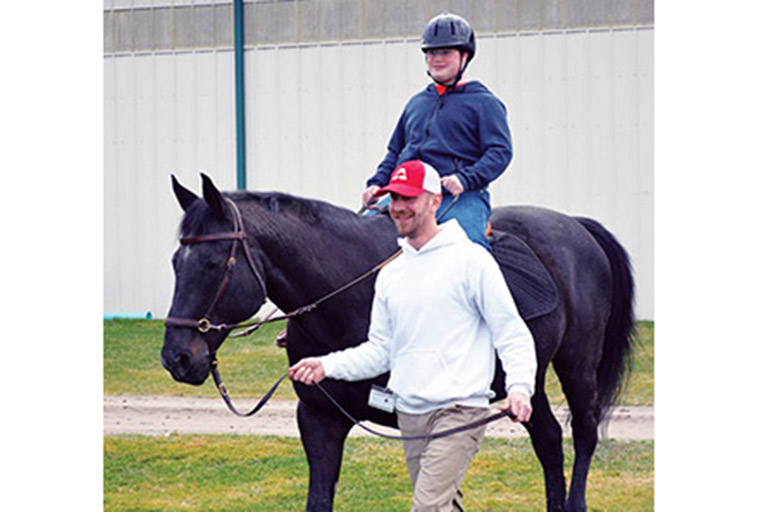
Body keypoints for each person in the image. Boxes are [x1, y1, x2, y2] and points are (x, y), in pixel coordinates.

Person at [291, 160, 537, 512]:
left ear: (435, 201)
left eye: (409, 198)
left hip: (459, 411)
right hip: (411, 415)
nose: (399, 207)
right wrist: (325, 366)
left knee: (426, 508)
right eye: (394, 198)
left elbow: (511, 333)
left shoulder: (471, 262)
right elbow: (380, 352)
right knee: (442, 506)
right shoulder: (392, 274)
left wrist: (520, 388)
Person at [361, 12, 513, 252]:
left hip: (459, 197)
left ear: (464, 56)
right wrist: (377, 183)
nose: (437, 59)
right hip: (407, 193)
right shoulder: (416, 103)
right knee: (358, 241)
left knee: (470, 252)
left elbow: (500, 152)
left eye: (446, 53)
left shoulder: (484, 103)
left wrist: (465, 179)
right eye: (432, 53)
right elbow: (395, 152)